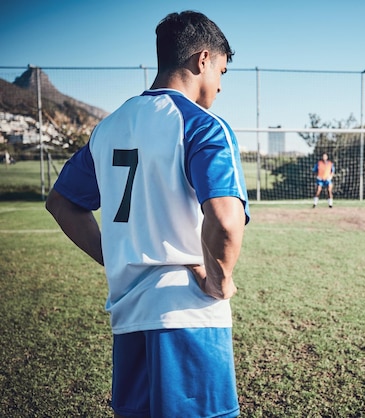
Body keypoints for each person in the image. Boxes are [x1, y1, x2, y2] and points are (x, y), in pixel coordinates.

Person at [45, 11, 249, 418]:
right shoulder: (204, 126)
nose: (221, 86)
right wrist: (220, 280)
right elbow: (225, 220)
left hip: (128, 317)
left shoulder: (110, 127)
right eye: (222, 72)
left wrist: (115, 255)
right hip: (189, 316)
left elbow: (62, 202)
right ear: (202, 60)